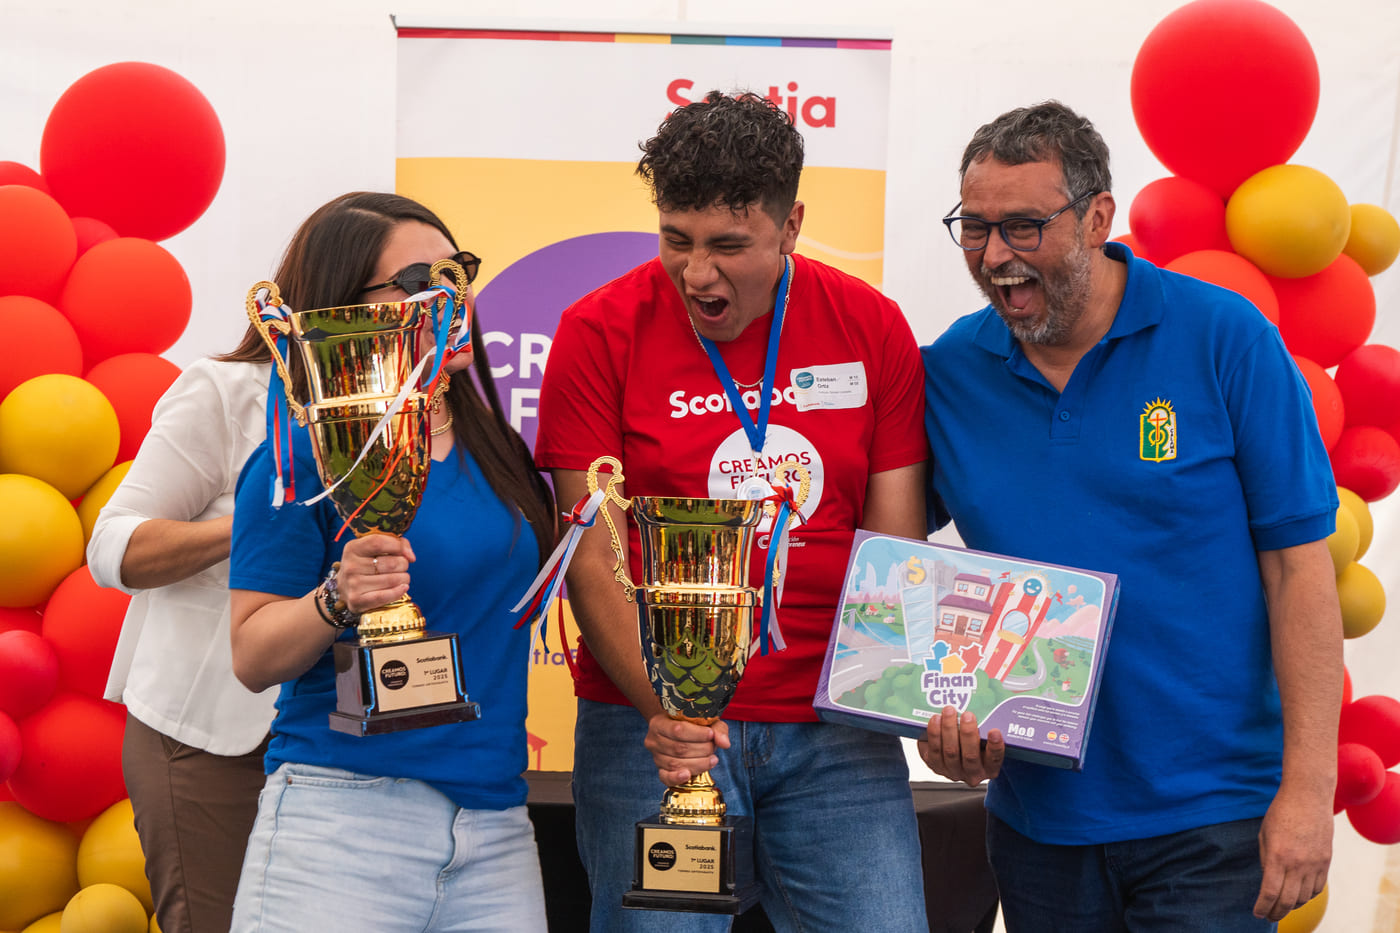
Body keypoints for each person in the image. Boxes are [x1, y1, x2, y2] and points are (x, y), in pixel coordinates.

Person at [919, 101, 1343, 930]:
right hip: (1037, 825)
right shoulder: (950, 374)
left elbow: (1299, 569)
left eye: (1024, 226)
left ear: (1097, 217)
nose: (996, 255)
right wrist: (935, 714)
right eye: (974, 228)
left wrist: (1308, 788)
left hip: (1215, 819)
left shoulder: (1224, 337)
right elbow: (901, 570)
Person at [535, 91, 931, 931]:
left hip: (835, 731)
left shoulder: (870, 325)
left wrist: (916, 696)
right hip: (648, 731)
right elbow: (593, 555)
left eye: (727, 245)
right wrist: (667, 713)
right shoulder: (597, 331)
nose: (696, 273)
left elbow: (895, 548)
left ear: (792, 226)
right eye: (676, 239)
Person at [225, 192, 556, 932]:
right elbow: (251, 654)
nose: (448, 298)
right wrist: (337, 596)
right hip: (340, 823)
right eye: (415, 283)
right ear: (348, 306)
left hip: (496, 827)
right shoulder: (302, 453)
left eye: (456, 272)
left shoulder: (500, 449)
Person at [89, 329, 279, 933]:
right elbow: (113, 547)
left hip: (355, 741)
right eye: (407, 285)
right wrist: (259, 524)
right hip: (211, 740)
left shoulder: (427, 417)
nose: (435, 299)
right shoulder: (229, 391)